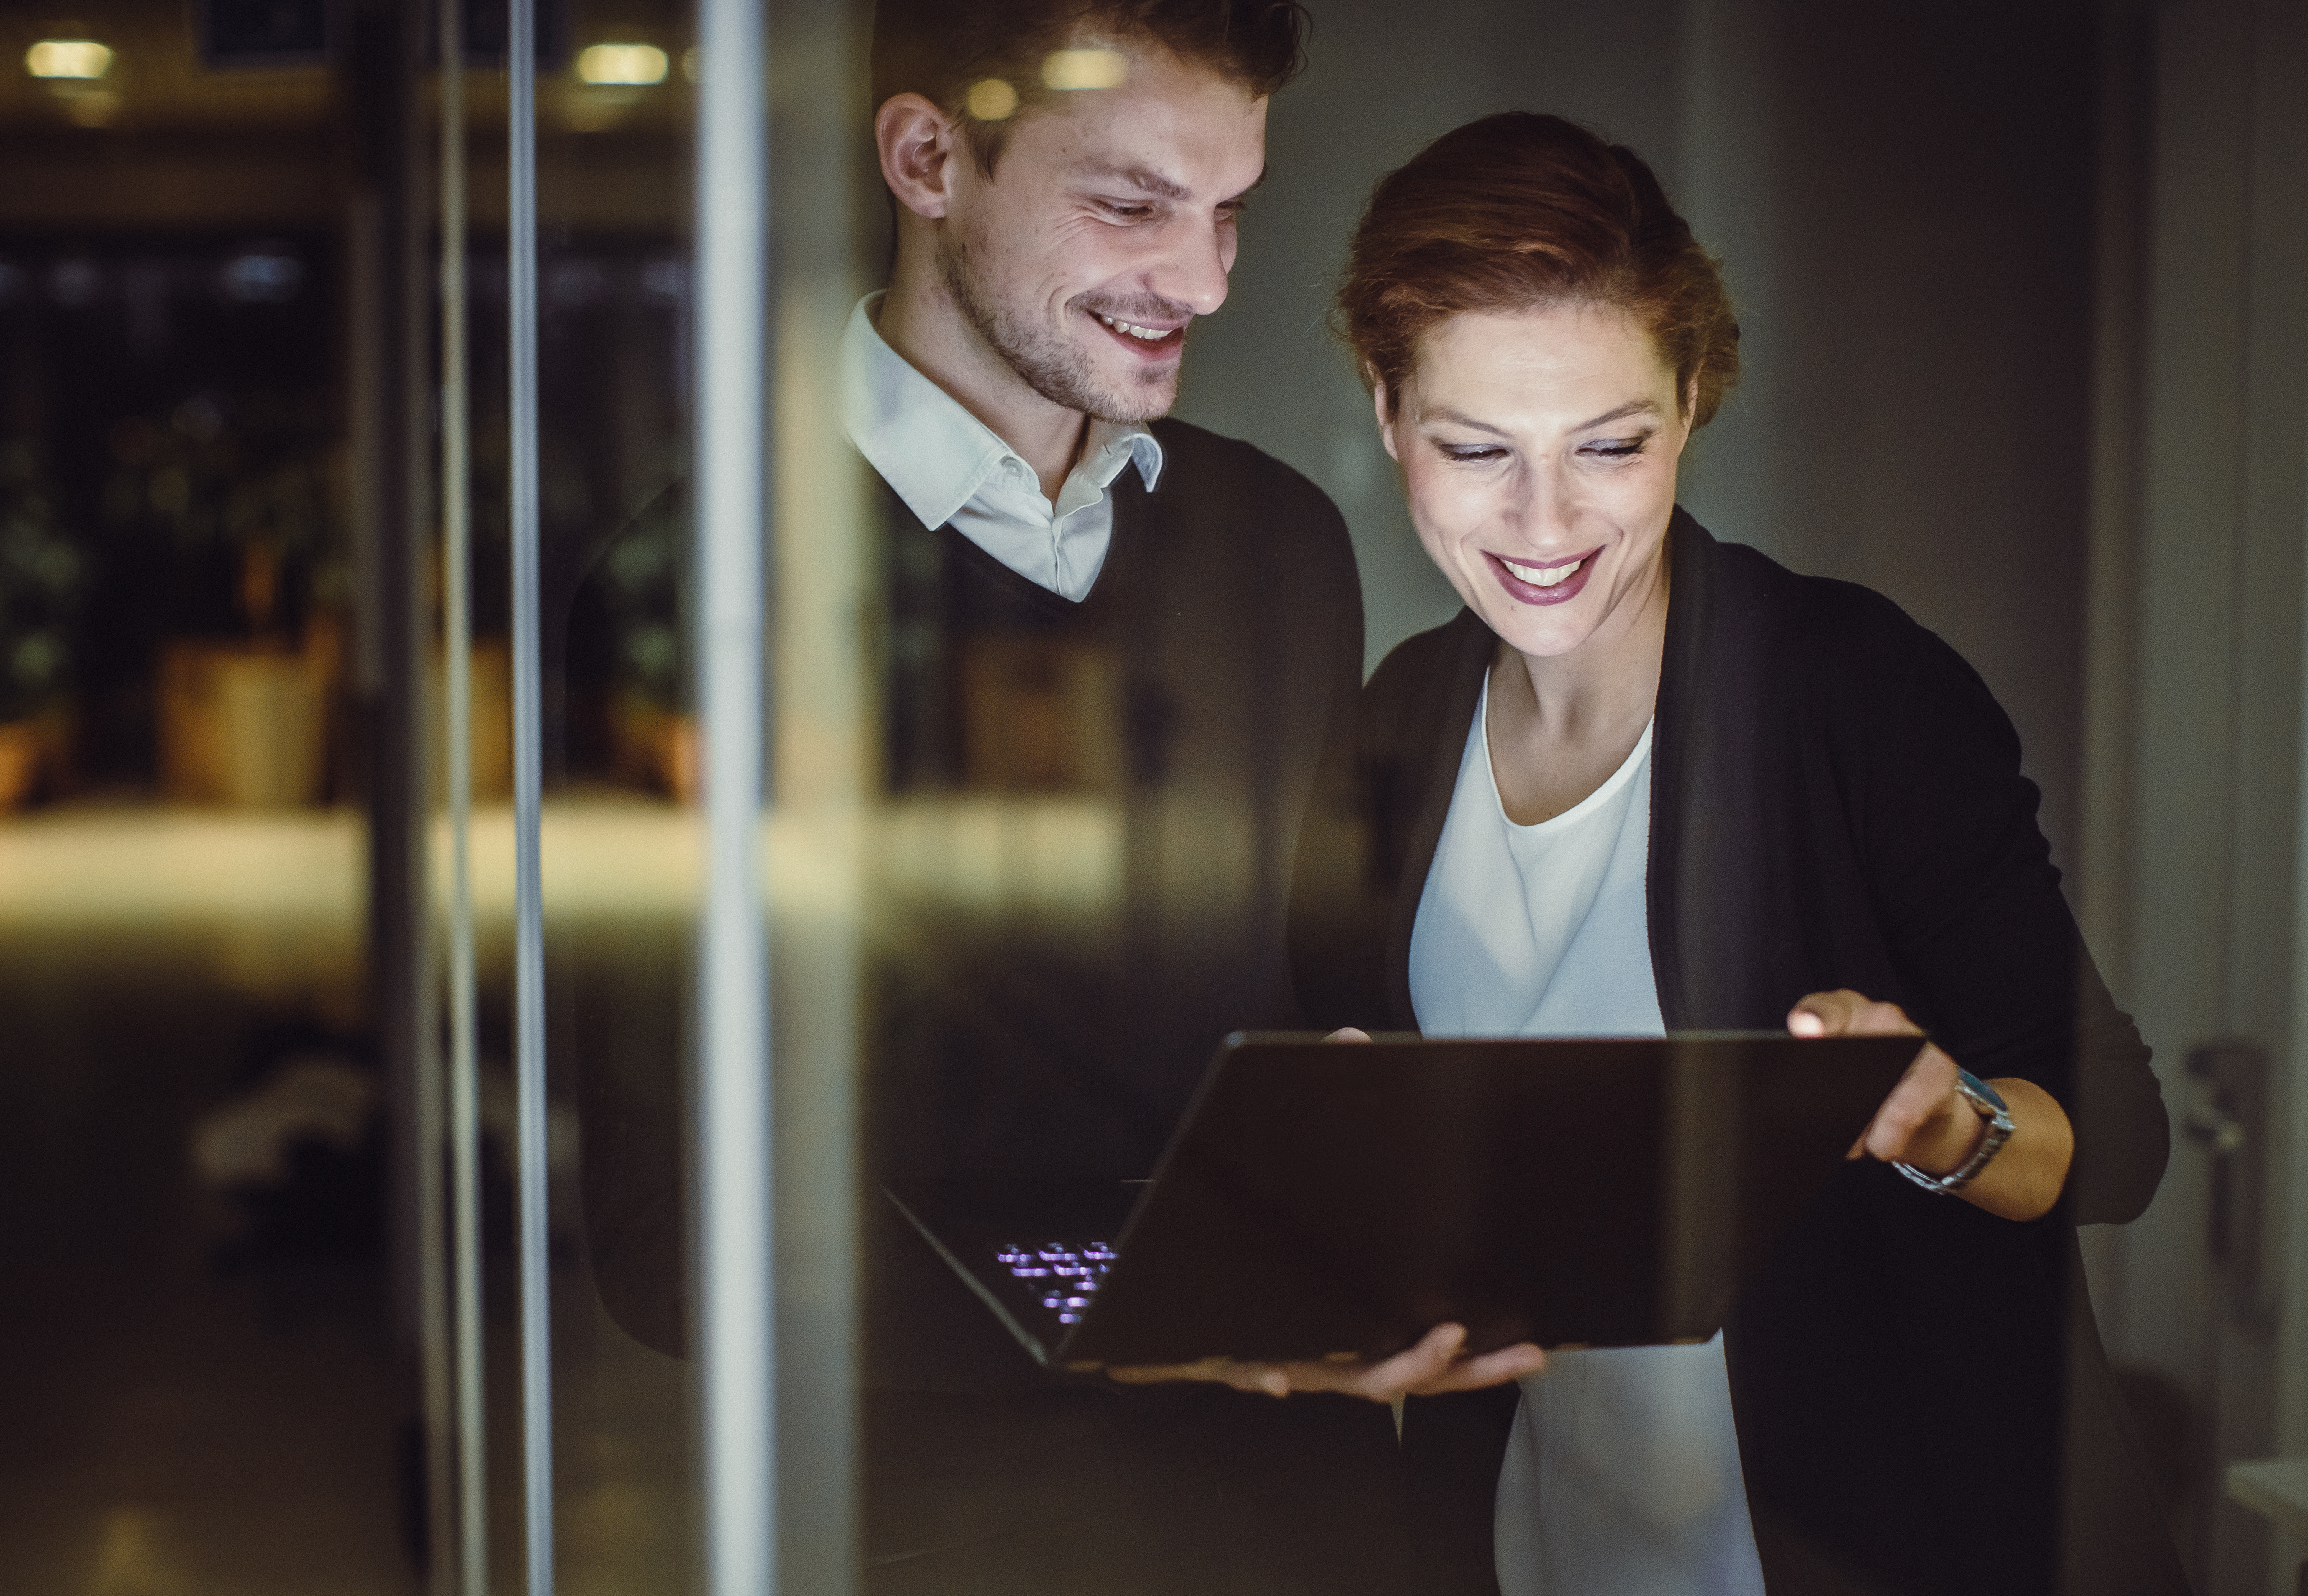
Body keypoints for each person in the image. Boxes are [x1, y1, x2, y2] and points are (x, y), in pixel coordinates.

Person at [1120, 113, 2188, 1596]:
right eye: (1475, 449)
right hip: (1524, 1539)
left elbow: (2116, 1134)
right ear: (1384, 410)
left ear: (1690, 400)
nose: (1543, 522)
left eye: (1609, 445)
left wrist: (1946, 1125)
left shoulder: (1851, 688)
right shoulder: (1393, 723)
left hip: (1854, 1553)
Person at [584, 3, 1464, 1592]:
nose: (1199, 281)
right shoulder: (691, 590)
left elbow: (1322, 1015)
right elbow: (666, 1241)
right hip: (935, 1525)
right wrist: (1146, 1328)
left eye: (1227, 213)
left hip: (1307, 1507)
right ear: (927, 159)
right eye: (1129, 204)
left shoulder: (1281, 540)